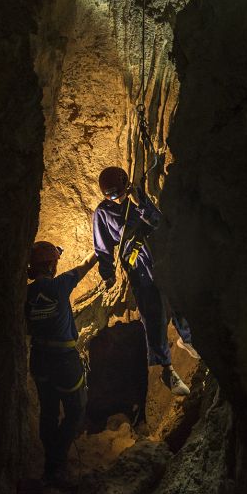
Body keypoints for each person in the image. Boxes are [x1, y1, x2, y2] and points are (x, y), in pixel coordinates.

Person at [92, 166, 199, 397]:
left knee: (178, 297)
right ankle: (167, 369)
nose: (116, 199)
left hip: (158, 257)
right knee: (153, 316)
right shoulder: (102, 213)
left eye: (118, 193)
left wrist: (140, 203)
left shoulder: (137, 199)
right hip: (138, 268)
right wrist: (107, 272)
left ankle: (189, 339)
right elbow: (102, 247)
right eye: (111, 196)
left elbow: (158, 222)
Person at [25, 241, 98, 488]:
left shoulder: (27, 294)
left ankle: (50, 464)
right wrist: (100, 246)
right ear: (49, 264)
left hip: (39, 359)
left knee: (48, 411)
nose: (57, 265)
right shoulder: (59, 285)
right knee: (76, 409)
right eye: (55, 261)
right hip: (64, 361)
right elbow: (85, 265)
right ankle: (57, 462)